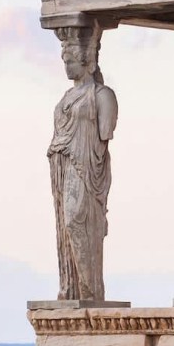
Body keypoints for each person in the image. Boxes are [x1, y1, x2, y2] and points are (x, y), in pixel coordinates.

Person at [47, 24, 118, 301]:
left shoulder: (102, 96)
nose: (66, 66)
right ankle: (73, 287)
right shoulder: (66, 97)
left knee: (77, 220)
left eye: (71, 61)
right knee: (66, 224)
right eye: (64, 61)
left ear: (86, 61)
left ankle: (91, 289)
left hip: (86, 167)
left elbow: (105, 133)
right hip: (63, 166)